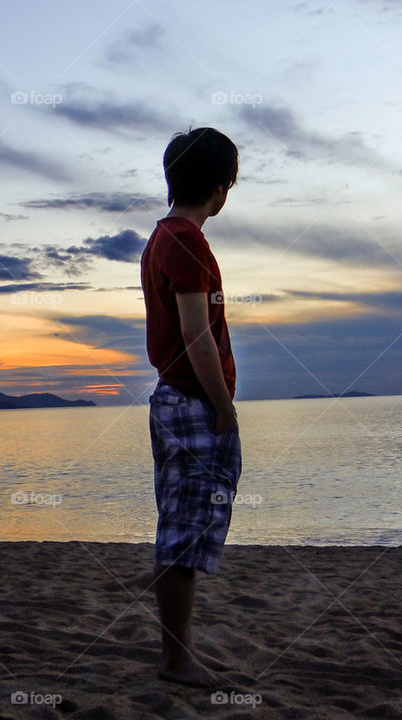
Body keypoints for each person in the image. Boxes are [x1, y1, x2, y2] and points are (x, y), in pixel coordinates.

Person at [139, 127, 242, 687]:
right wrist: (223, 407)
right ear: (220, 189)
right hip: (191, 403)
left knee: (186, 526)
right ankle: (177, 660)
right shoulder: (185, 241)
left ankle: (182, 651)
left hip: (177, 400)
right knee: (183, 531)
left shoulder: (165, 237)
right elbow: (197, 334)